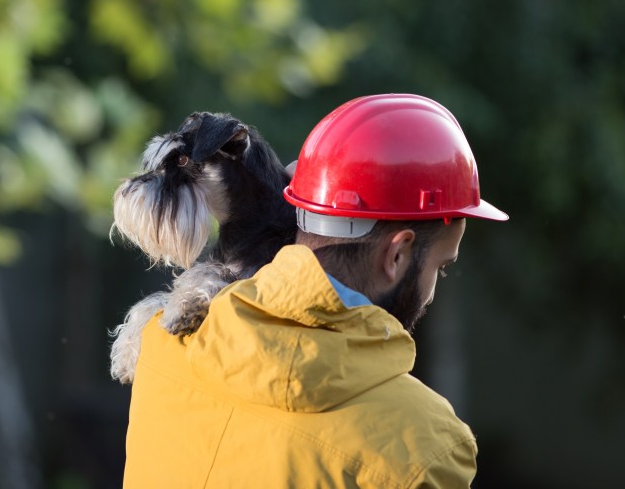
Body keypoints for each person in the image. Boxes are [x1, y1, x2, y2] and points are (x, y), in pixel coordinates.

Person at [122, 94, 508, 488]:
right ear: (397, 254)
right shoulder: (428, 448)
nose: (432, 290)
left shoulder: (156, 346)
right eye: (440, 269)